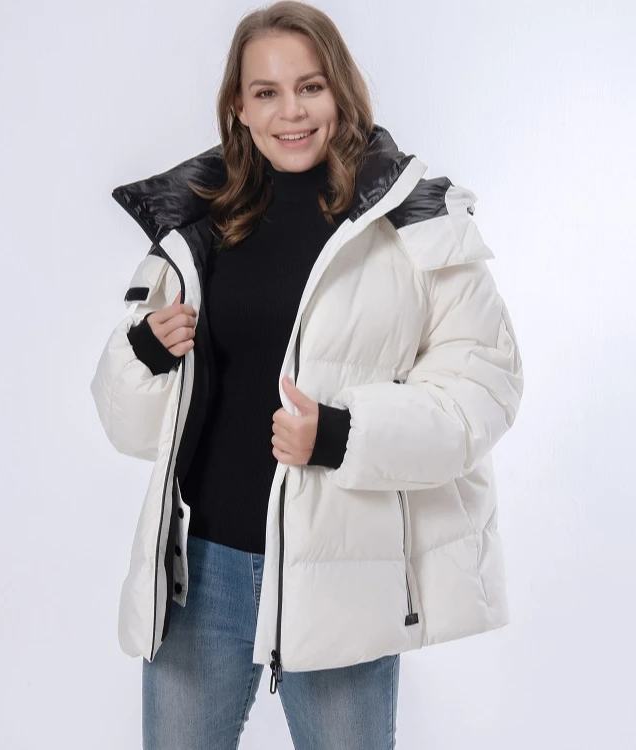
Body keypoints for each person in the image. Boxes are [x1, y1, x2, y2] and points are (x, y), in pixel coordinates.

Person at [89, 1, 524, 748]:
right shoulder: (199, 226)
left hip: (342, 573)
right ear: (239, 107)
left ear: (341, 92)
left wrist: (340, 435)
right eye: (267, 92)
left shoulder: (417, 222)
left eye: (310, 87)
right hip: (201, 573)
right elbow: (131, 431)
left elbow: (485, 390)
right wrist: (147, 355)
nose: (290, 111)